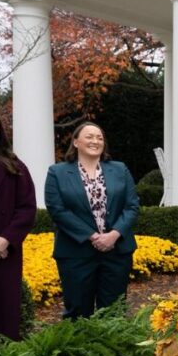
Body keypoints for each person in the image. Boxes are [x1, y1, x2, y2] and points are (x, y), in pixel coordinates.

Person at [45, 122, 140, 319]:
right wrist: (93, 236)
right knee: (78, 313)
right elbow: (57, 210)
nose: (95, 141)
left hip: (116, 251)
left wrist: (113, 235)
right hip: (75, 253)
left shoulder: (120, 169)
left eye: (99, 138)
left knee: (113, 313)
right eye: (89, 136)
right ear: (76, 142)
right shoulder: (57, 172)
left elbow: (132, 206)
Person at [0, 105, 37, 340]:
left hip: (3, 252)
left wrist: (5, 239)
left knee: (2, 311)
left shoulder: (14, 165)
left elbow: (27, 207)